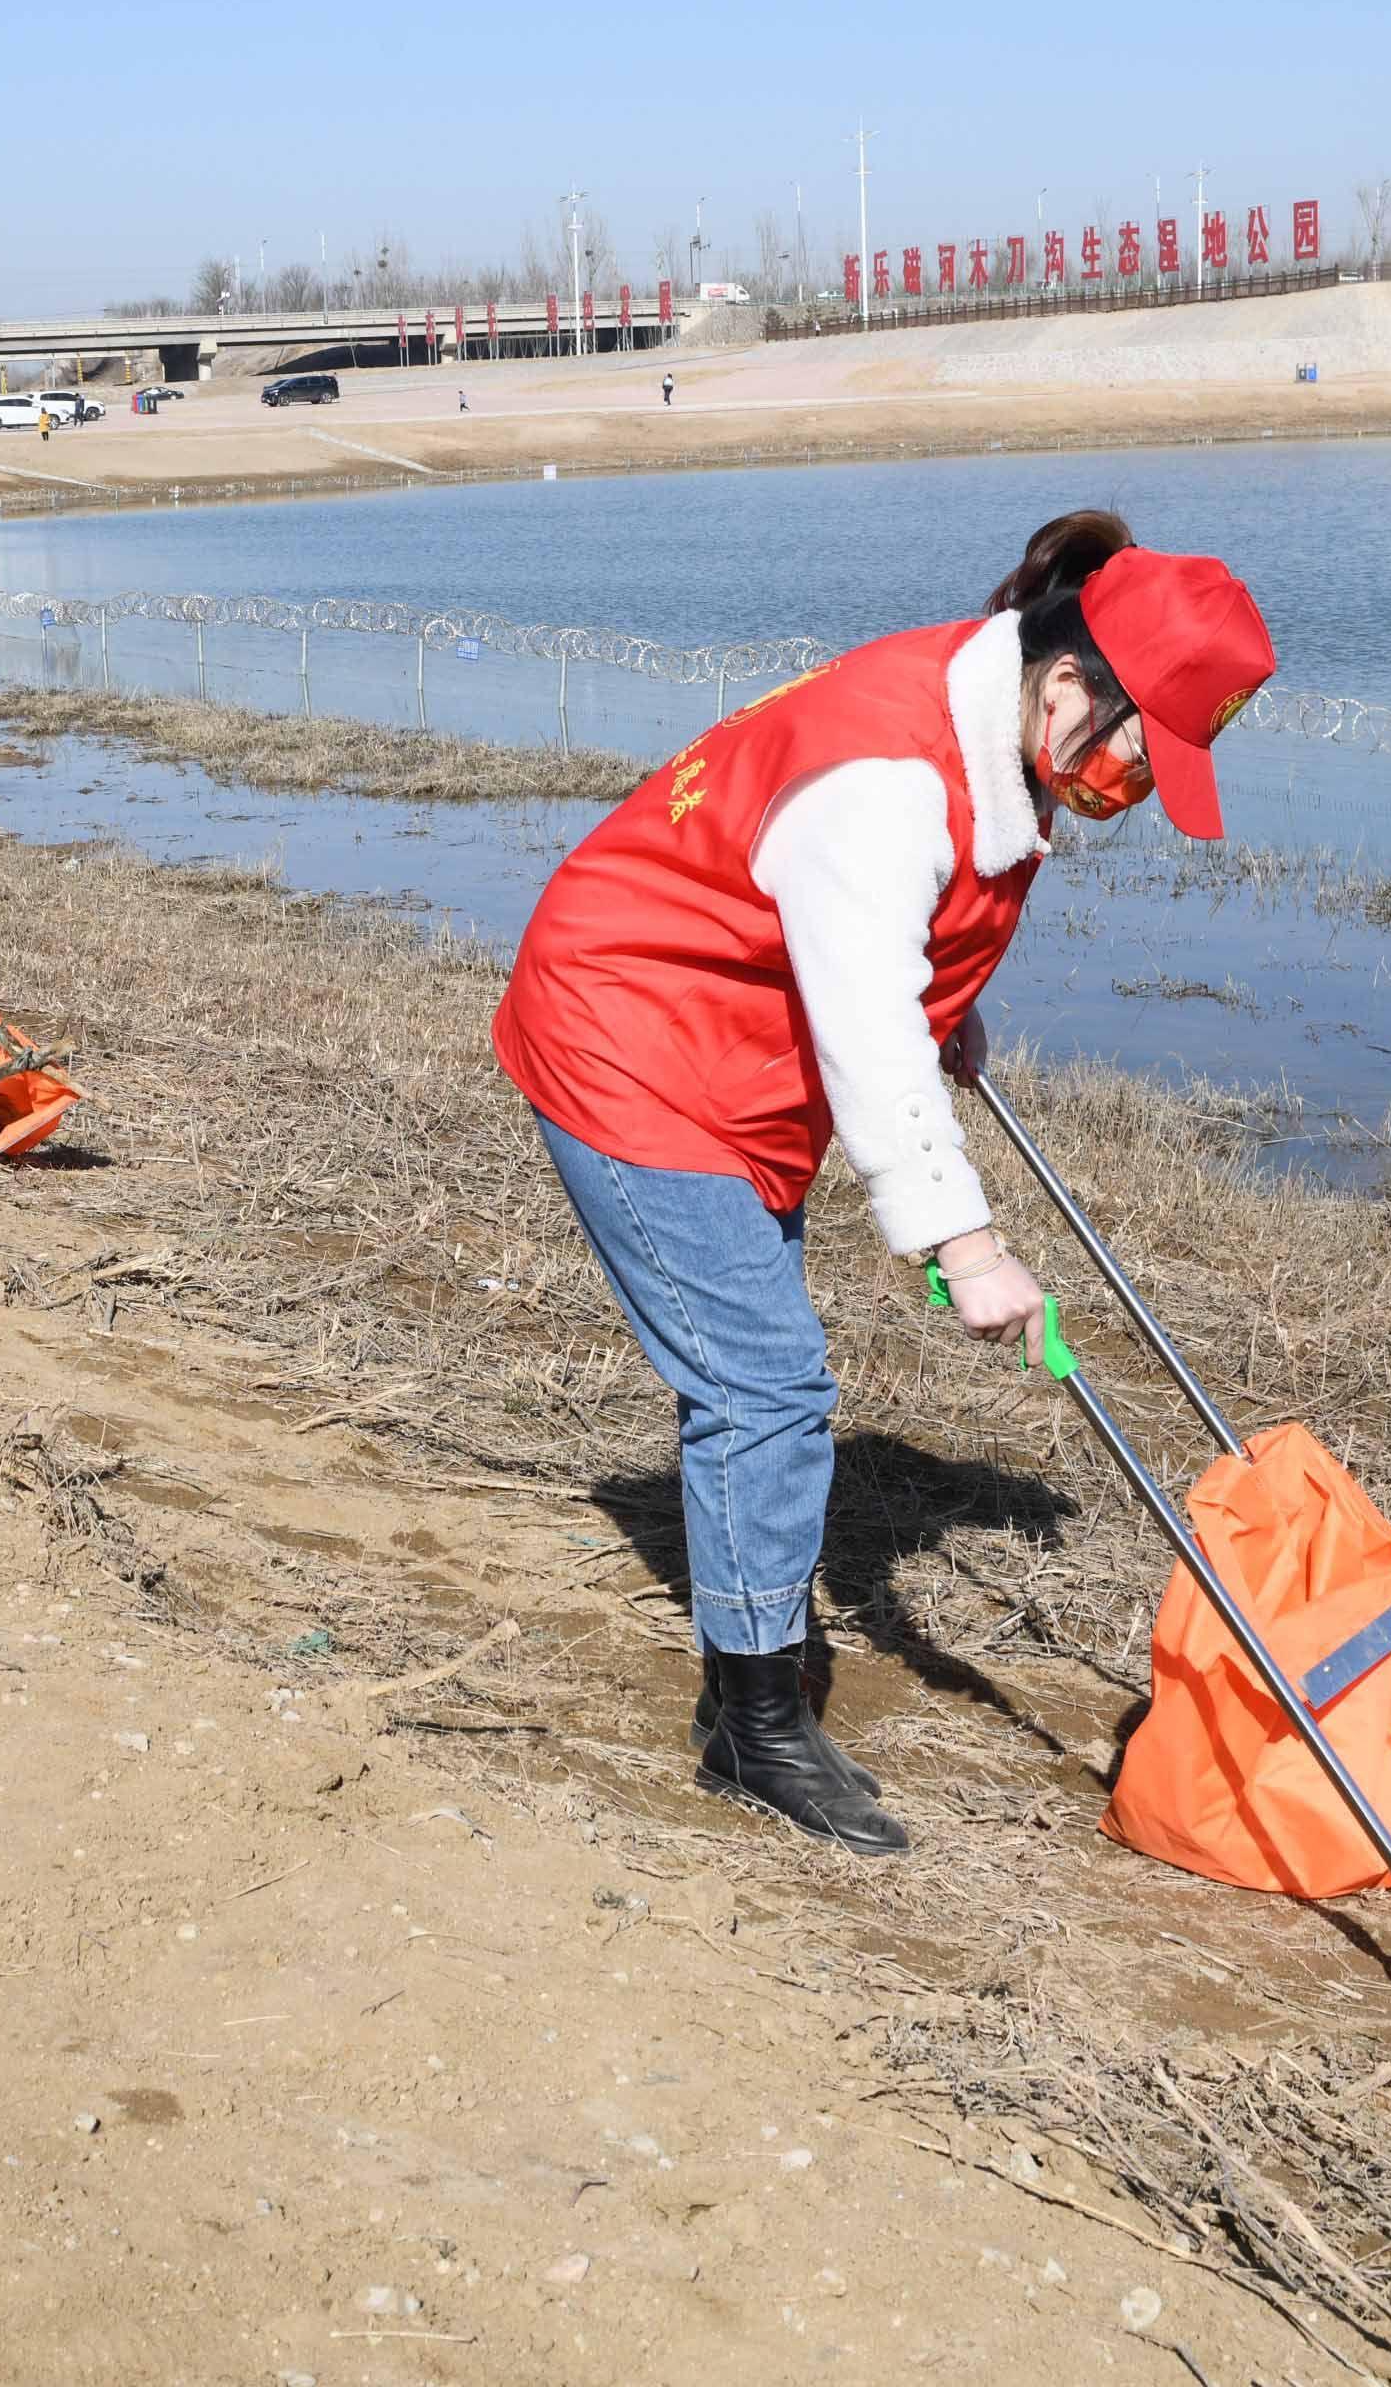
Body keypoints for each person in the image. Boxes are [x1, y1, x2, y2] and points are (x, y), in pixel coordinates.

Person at [489, 512, 1275, 1856]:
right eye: (1138, 759)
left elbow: (887, 941)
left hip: (735, 1037)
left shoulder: (999, 706)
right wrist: (962, 1247)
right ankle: (753, 1724)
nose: (1131, 791)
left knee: (757, 1370)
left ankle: (758, 1637)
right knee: (766, 1379)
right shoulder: (887, 776)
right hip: (630, 1030)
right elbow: (859, 1008)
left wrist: (941, 1003)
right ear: (1071, 687)